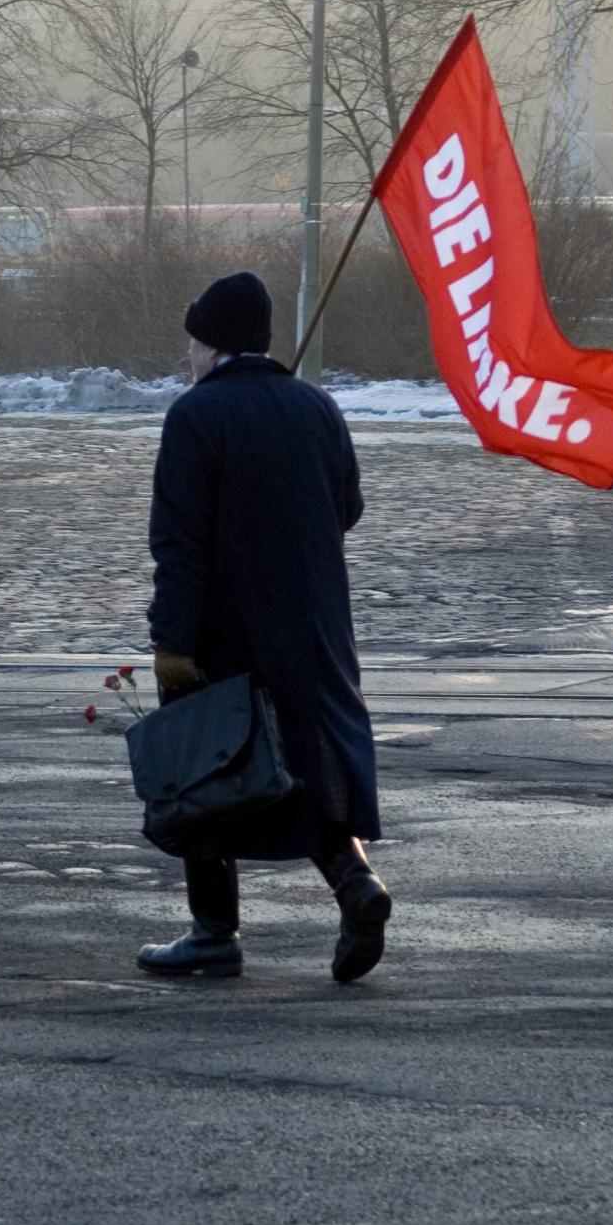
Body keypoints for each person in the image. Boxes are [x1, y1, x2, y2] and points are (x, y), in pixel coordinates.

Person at [136, 270, 391, 983]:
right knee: (306, 764)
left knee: (206, 764)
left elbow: (178, 542)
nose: (188, 355)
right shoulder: (317, 405)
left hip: (225, 627)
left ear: (212, 344)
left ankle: (213, 931)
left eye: (192, 340)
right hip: (315, 623)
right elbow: (348, 510)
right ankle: (357, 885)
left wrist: (172, 641)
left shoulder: (194, 415)